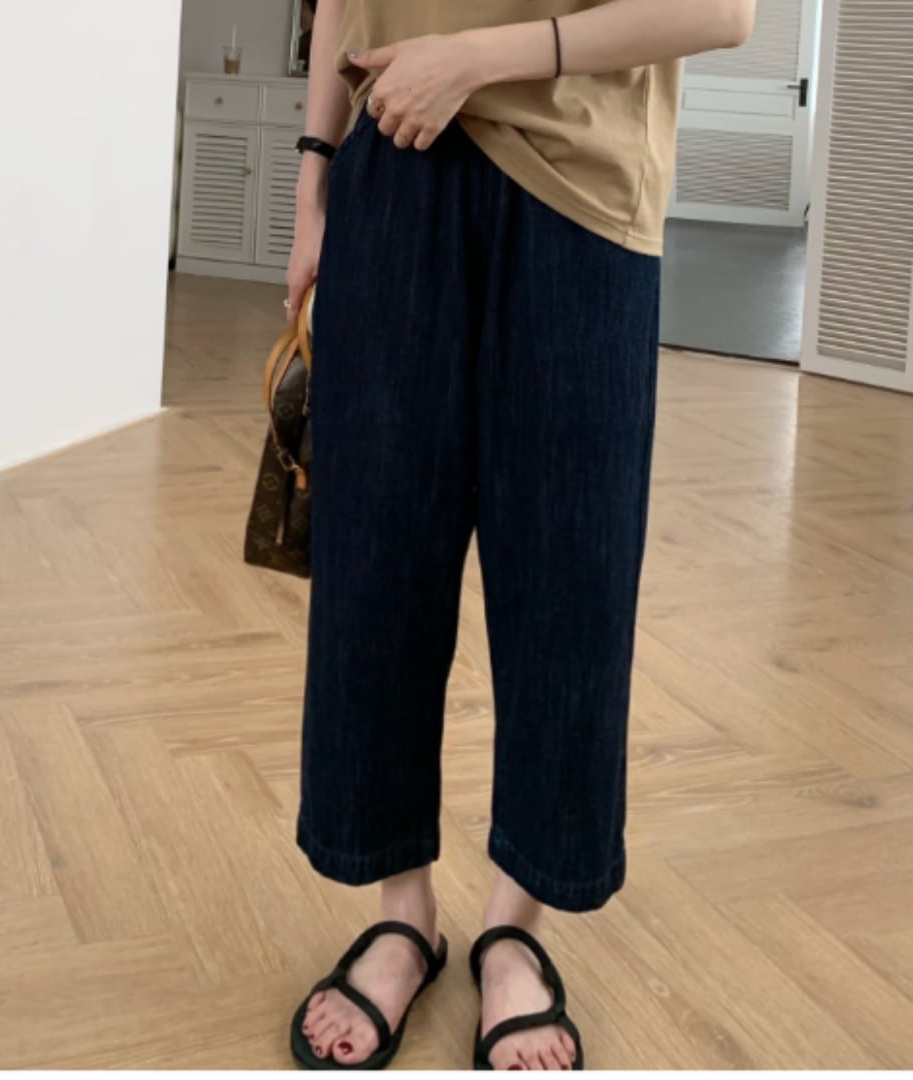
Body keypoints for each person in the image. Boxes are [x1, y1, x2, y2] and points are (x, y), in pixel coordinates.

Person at [284, 0, 755, 1070]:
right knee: (373, 570)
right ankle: (404, 912)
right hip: (392, 168)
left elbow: (724, 11)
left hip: (583, 194)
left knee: (569, 583)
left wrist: (475, 58)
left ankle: (516, 925)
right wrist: (314, 183)